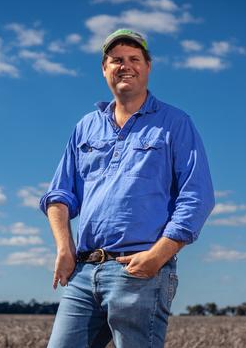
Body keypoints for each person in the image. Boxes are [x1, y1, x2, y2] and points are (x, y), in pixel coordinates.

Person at [39, 28, 215, 348]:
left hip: (139, 272)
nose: (125, 65)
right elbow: (60, 194)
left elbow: (196, 196)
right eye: (116, 59)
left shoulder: (175, 123)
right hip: (84, 270)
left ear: (148, 67)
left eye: (134, 58)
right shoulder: (86, 126)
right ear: (104, 69)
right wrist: (64, 248)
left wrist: (157, 256)